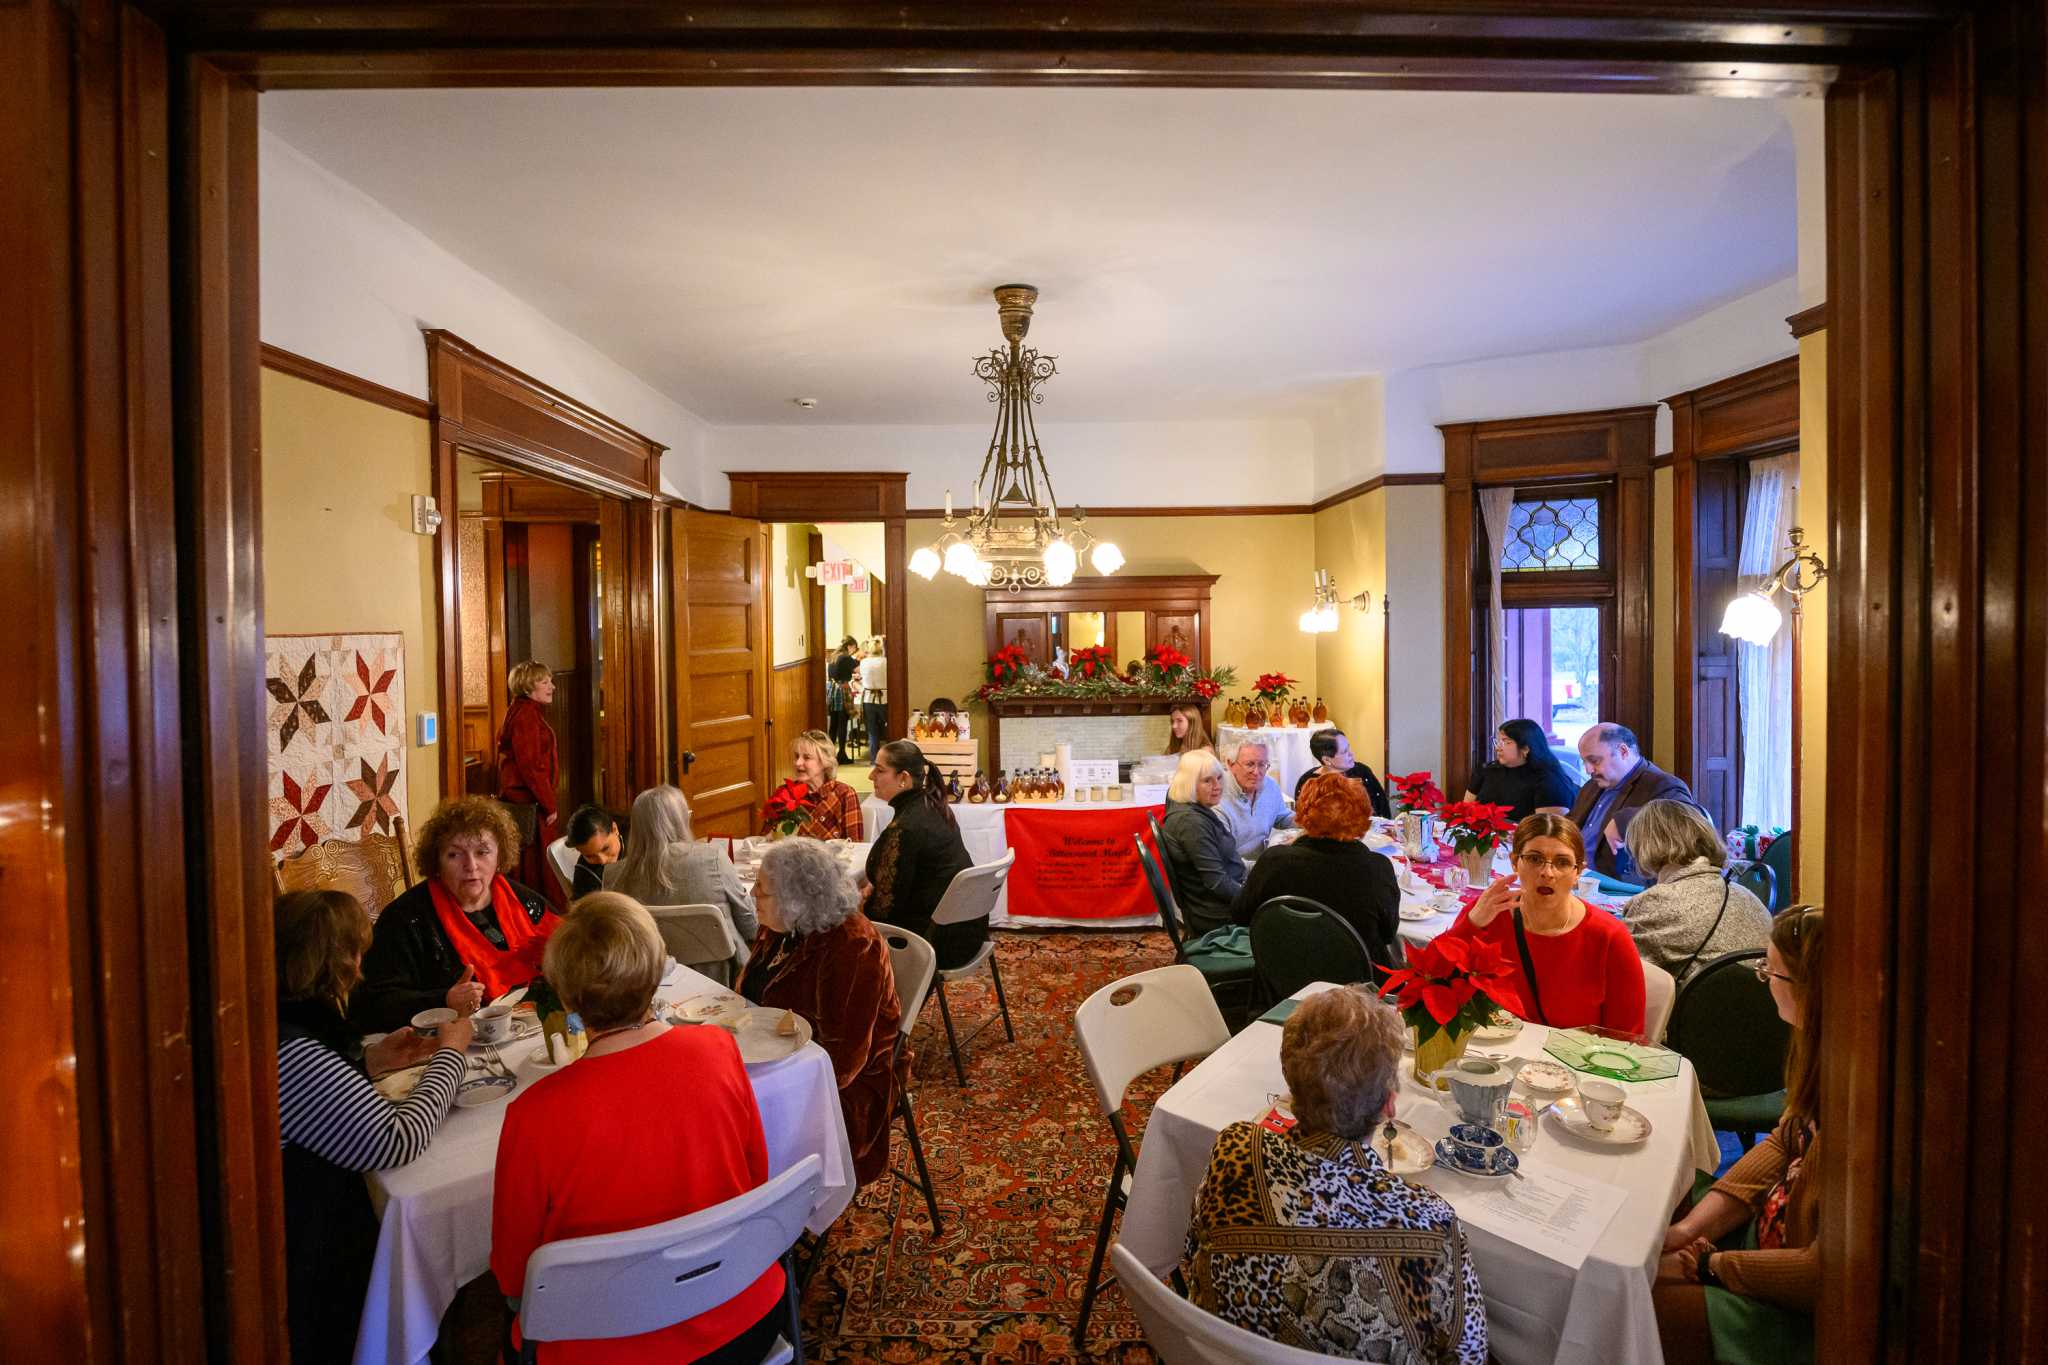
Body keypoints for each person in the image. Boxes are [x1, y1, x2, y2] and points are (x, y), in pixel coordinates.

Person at [493, 893, 787, 1363]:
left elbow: (513, 1276)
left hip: (609, 1349)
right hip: (743, 1316)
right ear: (656, 972)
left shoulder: (533, 1114)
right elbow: (755, 1179)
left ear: (567, 996)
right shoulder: (719, 1049)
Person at [1184, 985, 1489, 1363]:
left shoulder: (1234, 1149)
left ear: (1289, 1080)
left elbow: (1193, 1249)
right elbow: (1468, 1353)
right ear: (1391, 1103)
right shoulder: (1428, 1221)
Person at [276, 889, 470, 1365]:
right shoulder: (293, 1052)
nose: (361, 968)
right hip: (312, 1250)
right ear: (334, 964)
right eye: (355, 954)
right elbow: (395, 1139)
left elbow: (318, 1100)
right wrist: (451, 1056)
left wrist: (371, 1060)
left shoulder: (283, 1023)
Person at [1654, 906, 1825, 1365]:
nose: (1764, 978)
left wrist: (1707, 1264)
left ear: (1807, 990)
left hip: (1793, 1312)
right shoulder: (1820, 1054)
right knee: (1667, 1199)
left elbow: (1823, 1273)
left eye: (1771, 971)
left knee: (1644, 1301)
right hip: (1765, 1236)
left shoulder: (1859, 1100)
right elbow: (1784, 1143)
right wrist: (1690, 1231)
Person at [737, 839, 902, 1186]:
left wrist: (772, 1076)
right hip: (771, 1056)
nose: (752, 893)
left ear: (795, 899)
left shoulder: (853, 947)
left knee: (728, 1115)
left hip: (843, 1082)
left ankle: (767, 1200)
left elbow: (845, 1063)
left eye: (762, 890)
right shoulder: (782, 927)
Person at [352, 797, 559, 1033]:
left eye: (482, 852)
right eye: (454, 855)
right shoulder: (405, 919)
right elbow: (371, 1007)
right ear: (436, 862)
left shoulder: (525, 902)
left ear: (499, 857)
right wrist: (444, 1001)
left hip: (532, 1030)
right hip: (445, 1043)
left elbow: (570, 947)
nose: (471, 865)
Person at [1437, 813, 1646, 1035]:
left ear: (1578, 872)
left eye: (1562, 862)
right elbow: (1431, 988)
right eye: (1535, 859)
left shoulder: (1609, 936)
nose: (1547, 873)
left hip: (1574, 1064)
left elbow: (1627, 1038)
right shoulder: (1487, 914)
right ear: (1515, 862)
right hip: (1491, 1058)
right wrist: (1469, 925)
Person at [1235, 772, 1400, 966]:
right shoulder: (1377, 868)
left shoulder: (1275, 861)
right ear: (1364, 815)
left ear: (1304, 812)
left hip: (1284, 978)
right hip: (1358, 984)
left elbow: (1240, 914)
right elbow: (1388, 934)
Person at [605, 784, 757, 973]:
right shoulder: (713, 857)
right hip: (724, 978)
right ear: (682, 820)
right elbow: (751, 926)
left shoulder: (611, 877)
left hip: (651, 979)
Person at [1622, 799, 1772, 985]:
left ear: (1644, 845)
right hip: (1766, 1007)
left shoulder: (1653, 903)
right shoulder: (1747, 896)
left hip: (1698, 1011)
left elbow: (1622, 972)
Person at [860, 740, 977, 968]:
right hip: (966, 931)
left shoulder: (907, 826)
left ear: (903, 778)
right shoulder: (933, 806)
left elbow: (883, 912)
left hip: (933, 944)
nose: (871, 776)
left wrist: (860, 905)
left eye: (880, 770)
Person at [1566, 722, 1696, 887]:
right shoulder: (1593, 785)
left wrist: (1626, 820)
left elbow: (1687, 817)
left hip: (1620, 890)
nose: (1588, 770)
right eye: (1584, 761)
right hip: (1578, 881)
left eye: (1594, 761)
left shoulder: (1661, 784)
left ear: (1623, 751)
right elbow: (1572, 821)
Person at [497, 659, 564, 907]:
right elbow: (531, 766)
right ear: (528, 687)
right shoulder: (526, 715)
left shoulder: (521, 710)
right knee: (537, 868)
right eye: (545, 682)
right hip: (530, 803)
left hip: (527, 800)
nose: (552, 687)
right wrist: (549, 804)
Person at [1160, 749, 1246, 939]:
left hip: (1215, 903)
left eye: (1219, 778)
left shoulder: (1194, 810)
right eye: (1207, 781)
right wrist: (1252, 897)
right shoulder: (1190, 823)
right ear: (1190, 784)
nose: (1217, 786)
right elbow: (1217, 883)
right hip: (1215, 914)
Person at [1464, 717, 1581, 823]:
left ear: (1525, 748)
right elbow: (1466, 810)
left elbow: (1548, 829)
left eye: (1507, 742)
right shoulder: (1486, 771)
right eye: (1498, 741)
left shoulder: (1549, 782)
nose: (1498, 748)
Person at [777, 729, 864, 841]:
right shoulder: (785, 793)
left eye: (807, 757)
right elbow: (768, 842)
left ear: (825, 762)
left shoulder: (845, 794)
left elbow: (855, 846)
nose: (797, 763)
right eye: (796, 756)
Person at [1216, 736, 1294, 861]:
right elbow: (1226, 860)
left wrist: (1313, 822)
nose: (1257, 772)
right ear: (1230, 764)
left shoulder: (1270, 786)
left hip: (1262, 863)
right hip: (1236, 873)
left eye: (1262, 764)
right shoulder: (1217, 799)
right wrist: (1266, 868)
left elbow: (1282, 817)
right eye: (1250, 764)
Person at [1292, 726, 1391, 818]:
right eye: (1344, 752)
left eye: (1349, 748)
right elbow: (1305, 820)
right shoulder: (1309, 782)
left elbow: (1383, 808)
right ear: (1326, 760)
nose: (1351, 754)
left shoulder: (1362, 771)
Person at [563, 803, 619, 899]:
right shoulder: (584, 875)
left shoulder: (636, 839)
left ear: (614, 829)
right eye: (589, 856)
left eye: (605, 848)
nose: (602, 860)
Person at [827, 636, 860, 761]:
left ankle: (830, 755)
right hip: (842, 690)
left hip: (832, 690)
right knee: (842, 722)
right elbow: (859, 670)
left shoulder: (833, 656)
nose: (854, 651)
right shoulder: (846, 657)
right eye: (854, 648)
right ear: (850, 646)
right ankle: (841, 754)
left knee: (833, 724)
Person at [859, 635, 889, 753]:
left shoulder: (864, 662)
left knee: (872, 731)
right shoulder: (885, 662)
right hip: (884, 697)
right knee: (887, 729)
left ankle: (873, 759)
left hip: (868, 698)